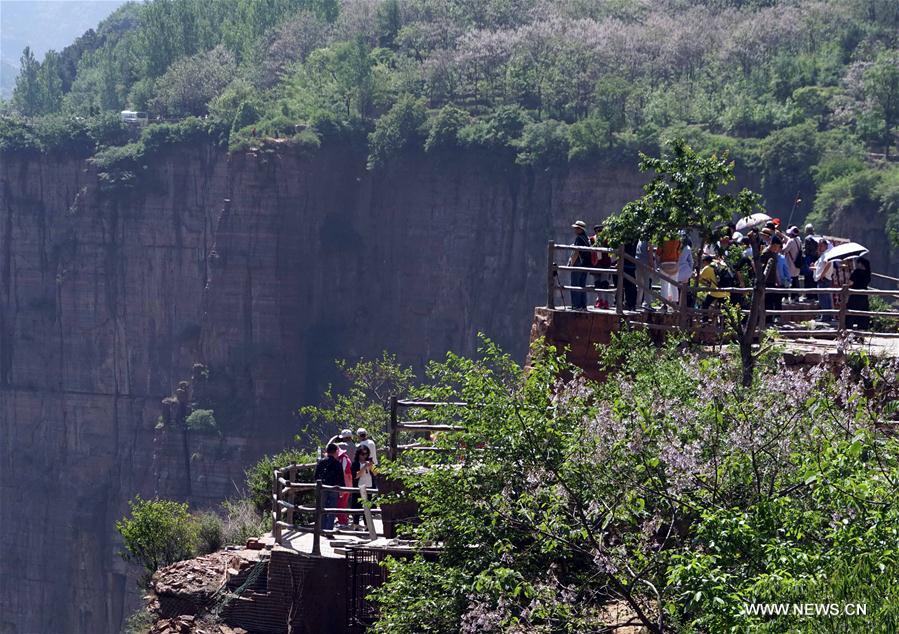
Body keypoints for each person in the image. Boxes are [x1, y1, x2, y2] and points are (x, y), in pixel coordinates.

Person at [313, 443, 344, 531]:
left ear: (327, 451)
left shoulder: (321, 462)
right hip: (334, 488)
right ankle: (329, 529)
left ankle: (321, 529)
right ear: (336, 452)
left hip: (322, 487)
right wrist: (341, 489)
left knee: (321, 508)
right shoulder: (338, 463)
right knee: (332, 510)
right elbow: (341, 477)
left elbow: (316, 476)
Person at [350, 445, 376, 528]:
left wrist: (371, 467)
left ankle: (367, 525)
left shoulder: (370, 462)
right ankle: (356, 524)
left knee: (367, 507)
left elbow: (376, 473)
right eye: (362, 454)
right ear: (358, 454)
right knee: (357, 506)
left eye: (366, 454)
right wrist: (364, 467)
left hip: (369, 486)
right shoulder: (355, 463)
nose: (364, 456)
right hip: (359, 487)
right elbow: (356, 476)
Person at [569, 221, 591, 310]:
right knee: (582, 285)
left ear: (579, 229)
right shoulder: (586, 238)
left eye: (576, 228)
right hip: (585, 264)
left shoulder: (579, 238)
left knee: (575, 284)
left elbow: (576, 252)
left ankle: (576, 305)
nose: (575, 230)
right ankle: (583, 305)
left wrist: (571, 264)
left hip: (578, 263)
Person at [846, 257, 872, 330]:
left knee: (850, 313)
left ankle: (848, 331)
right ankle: (861, 332)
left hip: (855, 295)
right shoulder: (868, 273)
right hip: (864, 295)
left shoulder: (856, 272)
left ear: (860, 263)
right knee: (862, 314)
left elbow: (850, 283)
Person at [814, 239, 835, 322]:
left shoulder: (826, 254)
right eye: (818, 245)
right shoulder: (825, 254)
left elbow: (828, 263)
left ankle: (825, 317)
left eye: (821, 245)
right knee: (826, 298)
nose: (819, 247)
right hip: (825, 278)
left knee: (823, 299)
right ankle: (828, 316)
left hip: (824, 279)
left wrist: (822, 274)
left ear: (825, 246)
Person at [657, 236, 681, 308]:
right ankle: (674, 303)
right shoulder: (678, 240)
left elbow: (658, 253)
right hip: (674, 263)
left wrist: (658, 265)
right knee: (674, 285)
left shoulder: (662, 240)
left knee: (664, 285)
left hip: (664, 263)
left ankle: (664, 303)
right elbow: (679, 253)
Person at [782, 226, 802, 296]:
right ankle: (796, 297)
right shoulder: (799, 240)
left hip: (790, 264)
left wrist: (784, 243)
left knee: (790, 281)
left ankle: (789, 297)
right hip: (797, 263)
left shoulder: (790, 241)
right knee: (796, 280)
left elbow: (784, 250)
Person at [635, 239, 655, 310]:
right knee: (647, 283)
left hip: (638, 262)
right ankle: (647, 303)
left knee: (640, 284)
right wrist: (652, 265)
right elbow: (650, 253)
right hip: (645, 263)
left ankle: (638, 303)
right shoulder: (649, 240)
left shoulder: (640, 240)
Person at [676, 236, 693, 307]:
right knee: (685, 290)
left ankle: (676, 305)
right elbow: (691, 261)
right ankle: (685, 305)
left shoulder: (677, 246)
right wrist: (690, 270)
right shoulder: (688, 248)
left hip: (675, 270)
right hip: (685, 271)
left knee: (676, 289)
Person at [803, 224, 818, 290]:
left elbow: (806, 250)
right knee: (815, 276)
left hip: (809, 259)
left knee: (808, 276)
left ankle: (809, 295)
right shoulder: (817, 237)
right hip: (816, 259)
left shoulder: (807, 238)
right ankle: (815, 294)